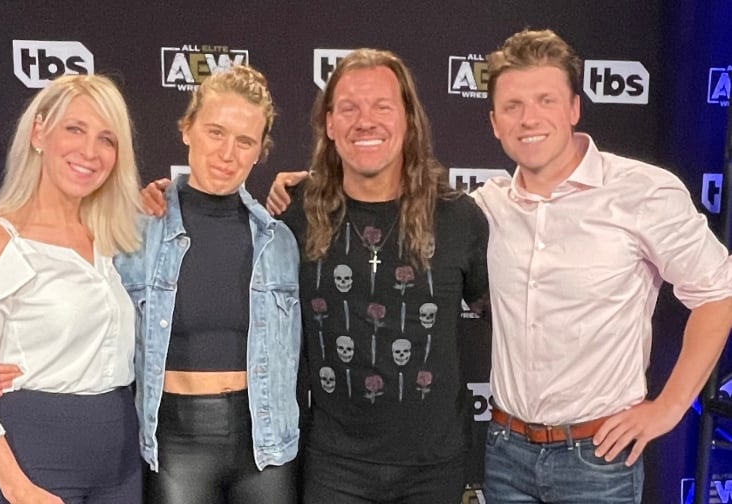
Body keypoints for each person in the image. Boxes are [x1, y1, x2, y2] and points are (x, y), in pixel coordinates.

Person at [472, 28, 732, 503]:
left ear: (574, 108)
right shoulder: (485, 207)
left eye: (545, 100)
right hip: (504, 453)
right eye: (512, 106)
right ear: (494, 122)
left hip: (598, 459)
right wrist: (306, 187)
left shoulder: (642, 192)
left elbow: (718, 294)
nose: (529, 118)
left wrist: (670, 408)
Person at [235, 48, 489, 503]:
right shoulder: (294, 214)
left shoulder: (459, 218)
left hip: (435, 467)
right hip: (334, 466)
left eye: (381, 107)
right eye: (349, 108)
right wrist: (163, 198)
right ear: (329, 125)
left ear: (408, 120)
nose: (364, 121)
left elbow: (507, 314)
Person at [0, 74, 143, 504]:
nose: (90, 152)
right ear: (39, 131)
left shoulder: (111, 241)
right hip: (36, 459)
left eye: (107, 139)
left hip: (121, 459)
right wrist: (16, 487)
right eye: (75, 129)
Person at [116, 65, 301, 504]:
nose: (227, 153)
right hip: (175, 442)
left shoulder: (281, 240)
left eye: (245, 141)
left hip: (265, 441)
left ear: (260, 151)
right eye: (216, 132)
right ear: (187, 130)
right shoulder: (137, 230)